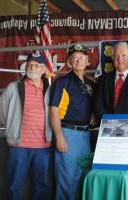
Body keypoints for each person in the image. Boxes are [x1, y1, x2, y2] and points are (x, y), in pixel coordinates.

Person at [0, 53, 52, 200]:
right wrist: (12, 128)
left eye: (36, 65)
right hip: (18, 145)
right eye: (29, 65)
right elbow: (3, 111)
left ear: (43, 70)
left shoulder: (50, 89)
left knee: (42, 185)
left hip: (43, 146)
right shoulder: (13, 87)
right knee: (15, 184)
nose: (32, 67)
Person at [49, 43, 95, 200]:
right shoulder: (62, 82)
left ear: (87, 60)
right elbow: (53, 111)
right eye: (74, 58)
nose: (78, 60)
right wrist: (59, 136)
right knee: (66, 180)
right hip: (68, 134)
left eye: (82, 57)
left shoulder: (90, 83)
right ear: (69, 62)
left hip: (85, 135)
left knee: (82, 178)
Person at [94, 42, 128, 155]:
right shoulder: (103, 79)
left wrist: (122, 128)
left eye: (123, 55)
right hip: (108, 136)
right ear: (112, 58)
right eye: (117, 56)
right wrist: (111, 125)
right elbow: (98, 105)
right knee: (111, 172)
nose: (120, 59)